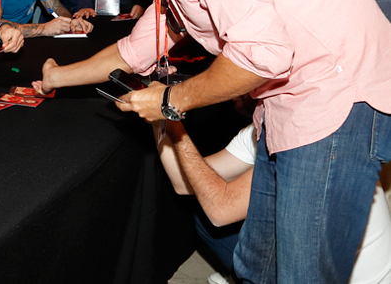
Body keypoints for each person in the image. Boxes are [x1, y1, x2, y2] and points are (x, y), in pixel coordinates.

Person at [32, 0, 391, 284]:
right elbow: (137, 50)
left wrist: (171, 102)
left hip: (335, 98)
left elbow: (263, 54)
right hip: (292, 102)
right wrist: (57, 77)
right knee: (257, 265)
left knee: (303, 273)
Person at [155, 121, 391, 284]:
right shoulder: (266, 125)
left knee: (216, 211)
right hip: (313, 257)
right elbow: (184, 183)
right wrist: (159, 121)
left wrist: (175, 126)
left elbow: (220, 209)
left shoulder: (305, 147)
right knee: (204, 212)